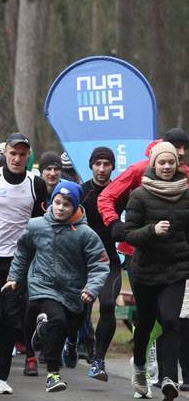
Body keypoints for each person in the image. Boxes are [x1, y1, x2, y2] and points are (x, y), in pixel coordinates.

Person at [6, 180, 109, 392]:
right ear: (51, 202)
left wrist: (91, 289)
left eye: (66, 205)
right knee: (59, 320)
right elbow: (23, 251)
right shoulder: (36, 225)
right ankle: (53, 373)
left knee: (70, 326)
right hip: (42, 285)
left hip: (73, 291)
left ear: (76, 207)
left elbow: (100, 265)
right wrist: (14, 277)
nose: (60, 208)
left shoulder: (85, 234)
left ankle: (43, 330)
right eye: (57, 203)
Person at [0, 133, 47, 393]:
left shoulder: (36, 184)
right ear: (5, 154)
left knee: (12, 322)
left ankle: (0, 377)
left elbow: (40, 222)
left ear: (28, 157)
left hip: (19, 260)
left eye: (22, 154)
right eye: (13, 153)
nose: (17, 158)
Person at [123, 142, 189, 401]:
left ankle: (169, 379)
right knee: (147, 324)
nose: (166, 167)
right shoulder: (139, 195)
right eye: (161, 162)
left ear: (176, 165)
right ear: (153, 164)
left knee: (171, 320)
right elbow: (128, 235)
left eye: (170, 162)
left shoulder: (186, 194)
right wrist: (152, 231)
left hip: (175, 269)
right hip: (145, 270)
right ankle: (139, 367)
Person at [79, 147, 121, 381]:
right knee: (78, 309)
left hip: (109, 261)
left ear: (113, 167)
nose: (102, 169)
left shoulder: (120, 192)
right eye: (98, 164)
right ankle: (78, 341)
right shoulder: (82, 192)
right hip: (82, 261)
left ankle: (99, 360)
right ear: (91, 165)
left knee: (107, 306)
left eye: (107, 164)